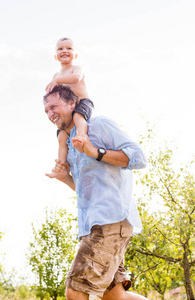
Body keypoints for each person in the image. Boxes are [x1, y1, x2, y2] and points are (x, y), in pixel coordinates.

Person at [44, 85, 149, 300]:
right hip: (93, 225)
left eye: (54, 106)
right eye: (46, 110)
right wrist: (66, 178)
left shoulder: (98, 125)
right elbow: (87, 191)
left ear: (72, 104)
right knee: (116, 297)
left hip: (110, 222)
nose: (50, 113)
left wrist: (96, 151)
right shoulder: (69, 143)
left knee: (76, 292)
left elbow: (139, 158)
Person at [45, 37, 94, 163]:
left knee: (78, 117)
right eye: (60, 49)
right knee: (61, 135)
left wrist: (57, 81)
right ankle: (62, 164)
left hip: (82, 102)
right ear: (56, 56)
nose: (64, 50)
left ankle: (82, 136)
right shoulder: (56, 76)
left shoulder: (76, 68)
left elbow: (76, 78)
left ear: (75, 55)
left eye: (69, 48)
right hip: (67, 108)